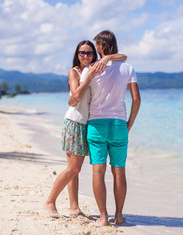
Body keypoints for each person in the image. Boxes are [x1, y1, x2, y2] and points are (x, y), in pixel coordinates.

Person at [44, 40, 127, 218]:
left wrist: (108, 58)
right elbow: (75, 97)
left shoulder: (97, 68)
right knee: (74, 169)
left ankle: (74, 208)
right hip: (74, 123)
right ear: (77, 54)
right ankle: (50, 201)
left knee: (75, 169)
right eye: (82, 53)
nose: (86, 56)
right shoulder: (74, 72)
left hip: (89, 124)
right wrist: (88, 77)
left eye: (90, 53)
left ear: (94, 55)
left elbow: (124, 57)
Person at [71, 30, 141, 226]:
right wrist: (129, 124)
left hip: (97, 124)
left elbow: (78, 95)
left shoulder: (90, 69)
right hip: (119, 123)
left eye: (96, 46)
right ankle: (119, 216)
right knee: (119, 171)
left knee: (98, 172)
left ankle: (103, 217)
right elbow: (136, 100)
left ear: (101, 46)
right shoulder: (128, 68)